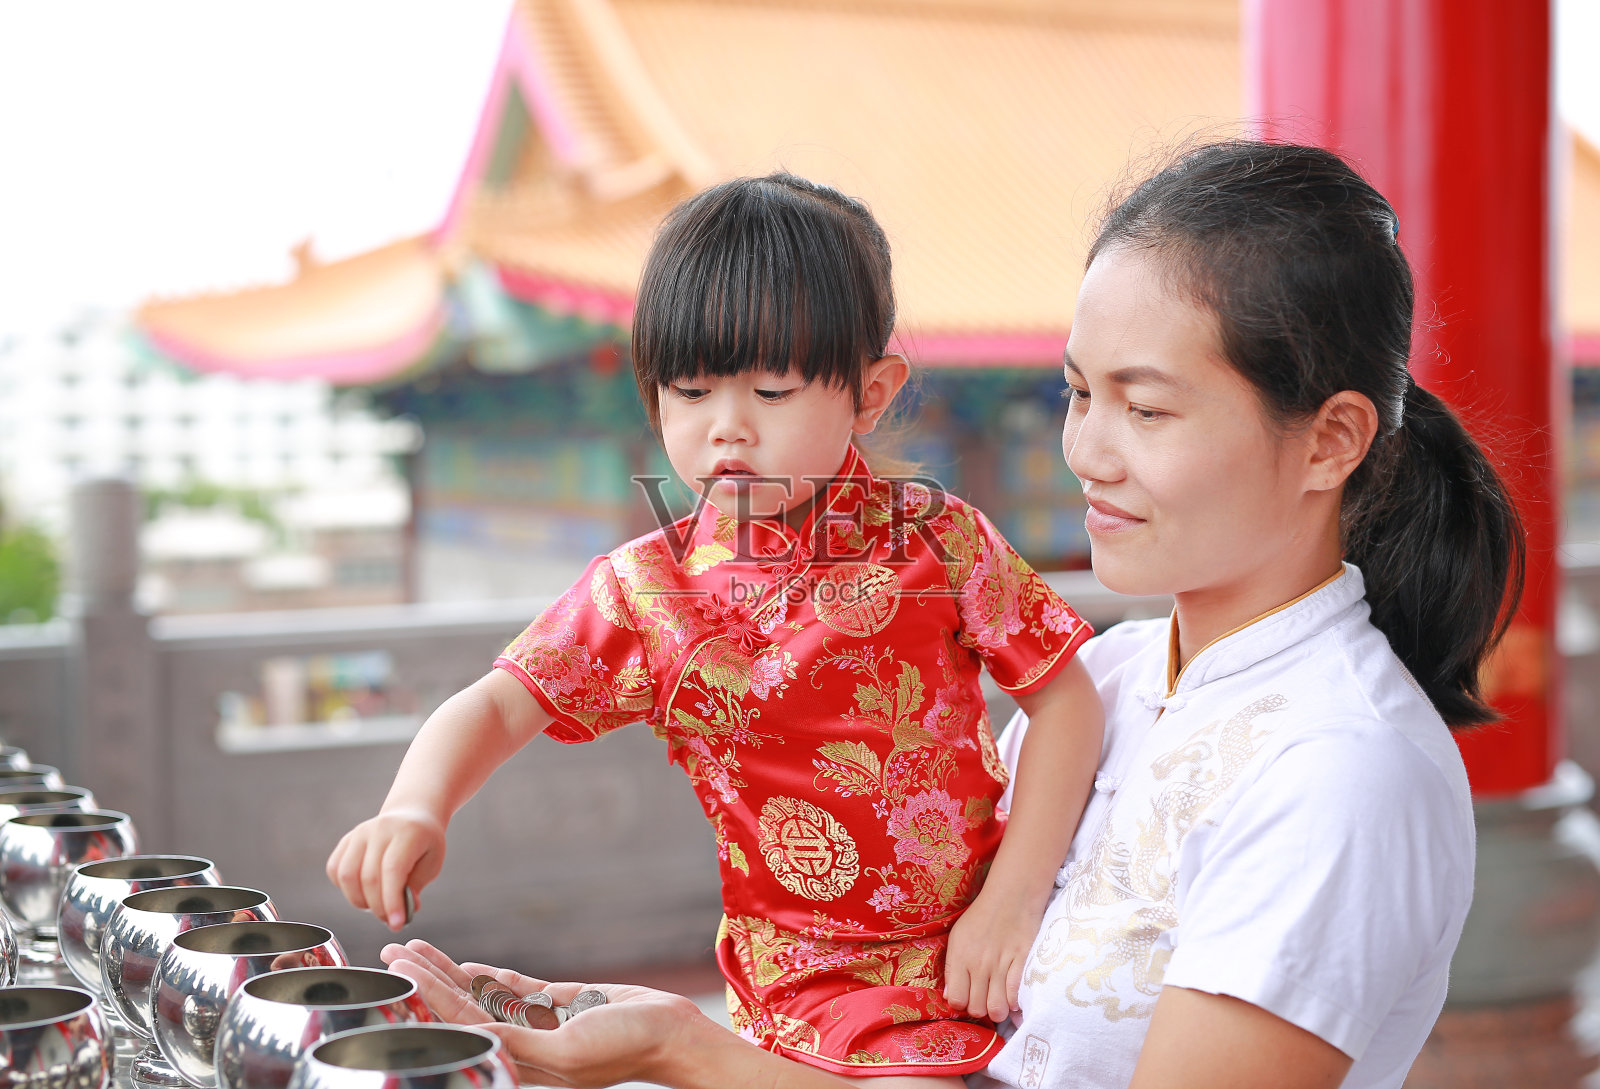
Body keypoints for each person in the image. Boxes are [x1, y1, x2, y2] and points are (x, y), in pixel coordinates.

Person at [378, 140, 1527, 1089]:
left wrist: (687, 1053)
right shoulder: (1125, 677)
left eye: (1146, 408)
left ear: (1328, 439)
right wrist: (694, 1030)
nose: (1087, 453)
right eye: (1078, 395)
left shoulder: (1338, 774)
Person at [329, 173, 1106, 1083]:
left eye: (772, 392)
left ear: (871, 391)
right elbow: (500, 706)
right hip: (794, 983)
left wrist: (1011, 903)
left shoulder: (941, 543)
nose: (726, 430)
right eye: (690, 391)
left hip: (992, 937)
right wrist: (415, 806)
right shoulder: (645, 589)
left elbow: (1066, 701)